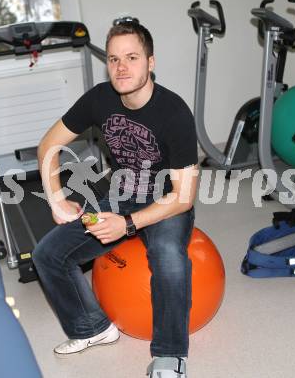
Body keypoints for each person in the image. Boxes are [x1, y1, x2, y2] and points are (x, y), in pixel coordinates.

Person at [32, 19, 199, 378]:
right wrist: (56, 198)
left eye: (132, 57)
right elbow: (48, 145)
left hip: (165, 200)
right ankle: (92, 327)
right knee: (47, 254)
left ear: (150, 63)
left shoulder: (175, 112)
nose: (121, 68)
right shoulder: (99, 98)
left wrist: (126, 225)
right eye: (113, 59)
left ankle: (171, 356)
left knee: (169, 258)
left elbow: (184, 197)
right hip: (119, 193)